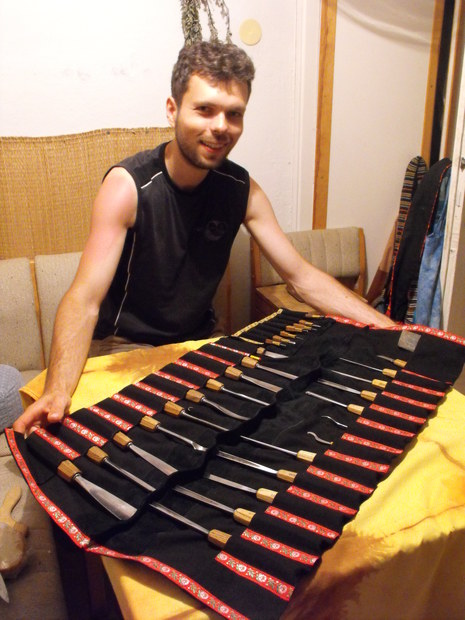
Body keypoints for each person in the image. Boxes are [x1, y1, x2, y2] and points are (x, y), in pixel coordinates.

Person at [13, 40, 394, 435]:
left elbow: (301, 277)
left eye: (234, 114)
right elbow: (84, 298)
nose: (220, 126)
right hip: (124, 346)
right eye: (205, 110)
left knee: (270, 423)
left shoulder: (242, 189)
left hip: (200, 342)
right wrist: (57, 391)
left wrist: (390, 328)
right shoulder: (128, 186)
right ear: (172, 109)